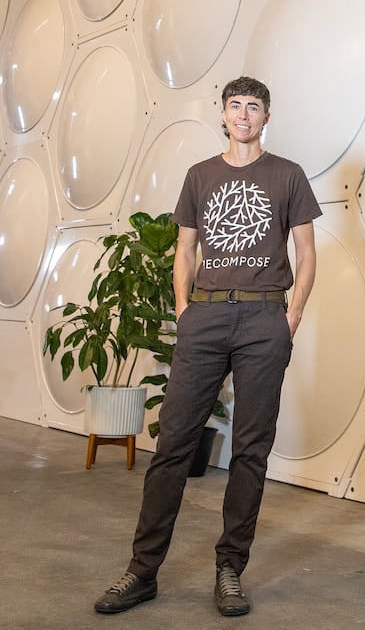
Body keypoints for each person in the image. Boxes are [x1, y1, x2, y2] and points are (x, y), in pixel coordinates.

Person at [94, 76, 321, 617]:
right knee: (173, 443)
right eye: (236, 105)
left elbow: (307, 253)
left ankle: (229, 568)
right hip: (207, 315)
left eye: (255, 107)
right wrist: (183, 309)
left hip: (265, 316)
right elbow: (185, 249)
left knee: (251, 449)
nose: (244, 115)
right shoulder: (201, 176)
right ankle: (141, 572)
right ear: (223, 114)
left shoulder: (287, 175)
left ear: (267, 117)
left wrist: (290, 318)